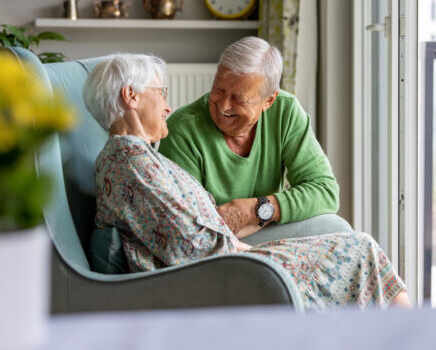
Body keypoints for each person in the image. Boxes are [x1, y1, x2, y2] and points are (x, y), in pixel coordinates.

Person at [83, 53, 411, 311]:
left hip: (229, 258)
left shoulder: (138, 157)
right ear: (131, 96)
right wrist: (248, 247)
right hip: (223, 273)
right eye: (160, 93)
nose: (168, 105)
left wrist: (254, 217)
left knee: (355, 247)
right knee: (360, 249)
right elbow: (191, 244)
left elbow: (190, 228)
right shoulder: (132, 162)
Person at [159, 36, 339, 238]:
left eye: (238, 98)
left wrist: (256, 210)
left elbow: (326, 191)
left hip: (266, 231)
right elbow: (189, 228)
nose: (223, 106)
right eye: (218, 90)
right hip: (216, 245)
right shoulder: (181, 130)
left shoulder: (285, 112)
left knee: (336, 227)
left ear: (268, 101)